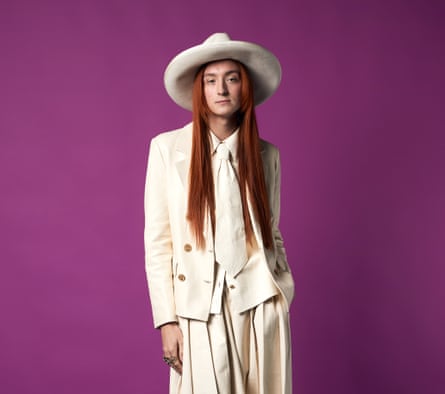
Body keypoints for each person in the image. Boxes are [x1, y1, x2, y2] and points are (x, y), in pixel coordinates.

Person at [144, 32, 295, 394]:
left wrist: (282, 289)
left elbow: (270, 230)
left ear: (245, 88)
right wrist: (167, 320)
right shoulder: (168, 149)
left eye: (231, 78)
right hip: (198, 308)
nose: (221, 89)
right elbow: (158, 242)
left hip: (259, 304)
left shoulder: (266, 155)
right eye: (211, 80)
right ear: (200, 90)